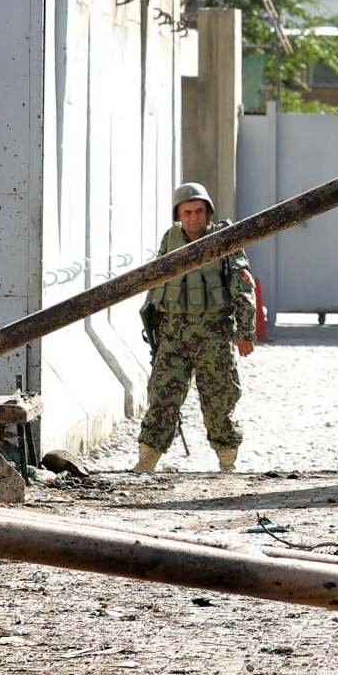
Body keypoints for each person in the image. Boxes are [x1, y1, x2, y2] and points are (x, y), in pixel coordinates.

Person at [134, 182, 257, 474]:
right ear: (178, 214)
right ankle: (146, 461)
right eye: (187, 212)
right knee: (162, 398)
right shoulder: (171, 238)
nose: (193, 218)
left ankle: (227, 462)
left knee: (219, 402)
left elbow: (243, 287)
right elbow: (158, 283)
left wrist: (245, 332)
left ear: (208, 212)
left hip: (212, 336)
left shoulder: (225, 239)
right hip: (173, 335)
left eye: (199, 211)